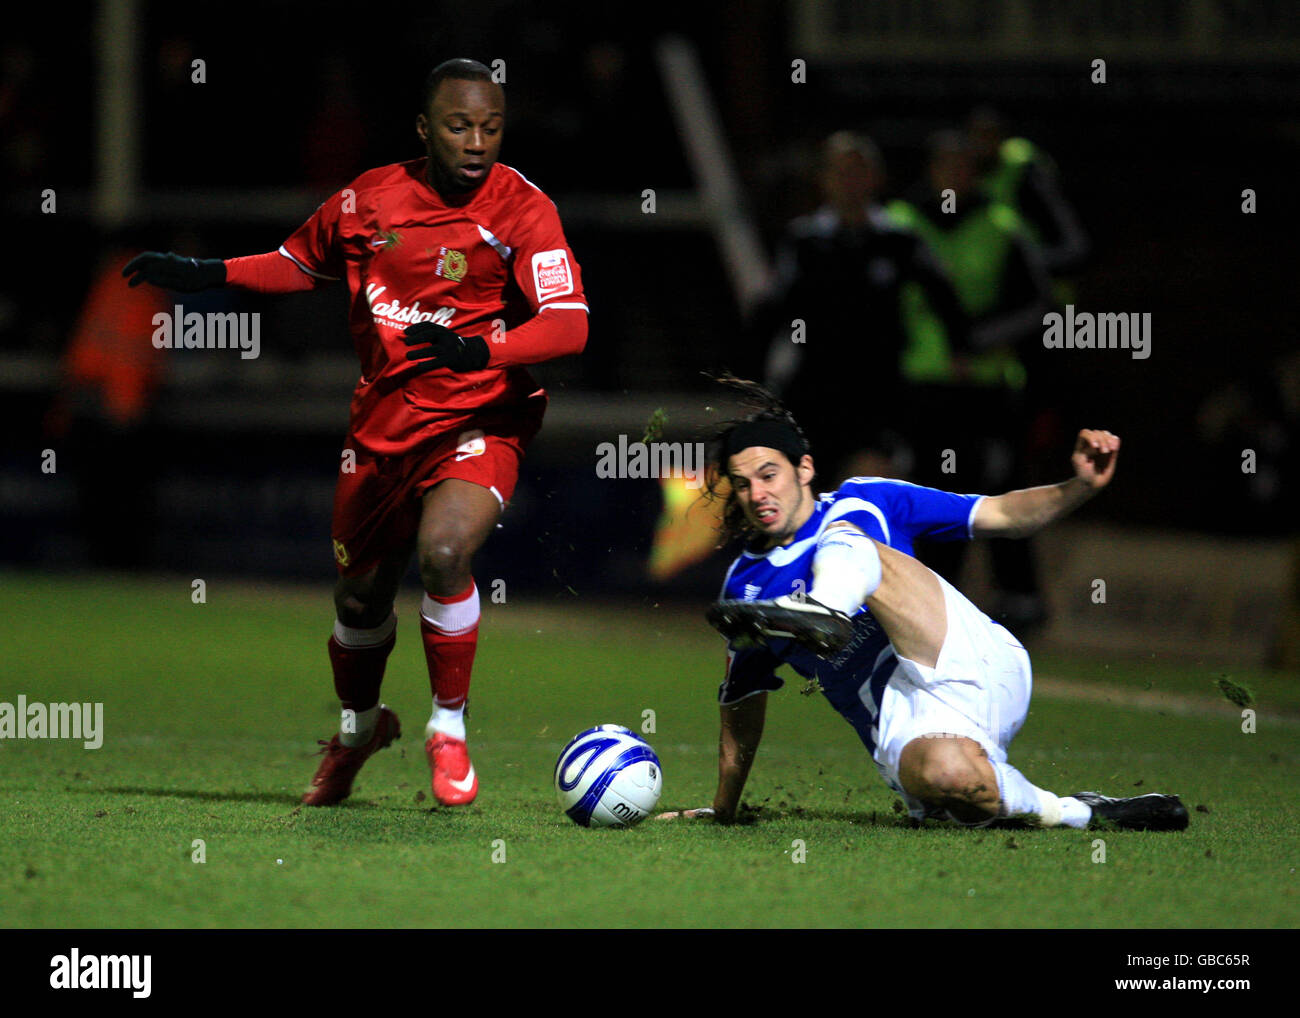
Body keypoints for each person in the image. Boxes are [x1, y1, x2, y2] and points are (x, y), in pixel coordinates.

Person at [123, 59, 588, 808]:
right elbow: (297, 264)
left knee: (443, 553)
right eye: (459, 126)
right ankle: (360, 728)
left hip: (482, 415)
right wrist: (207, 272)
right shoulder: (368, 200)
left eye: (491, 127)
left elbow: (571, 323)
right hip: (385, 423)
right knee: (362, 599)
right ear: (423, 129)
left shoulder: (522, 209)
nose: (477, 142)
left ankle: (448, 729)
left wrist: (486, 349)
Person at [660, 381, 1188, 832]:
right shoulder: (747, 587)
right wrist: (723, 809)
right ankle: (1077, 812)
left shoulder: (869, 498)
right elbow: (742, 701)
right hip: (909, 722)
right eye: (744, 483)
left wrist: (1079, 486)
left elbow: (1001, 514)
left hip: (964, 657)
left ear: (804, 469)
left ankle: (826, 609)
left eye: (768, 474)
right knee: (950, 781)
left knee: (849, 536)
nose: (757, 493)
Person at [759, 131, 970, 483]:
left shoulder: (899, 239)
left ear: (876, 177)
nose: (848, 181)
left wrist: (959, 349)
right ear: (823, 179)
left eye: (858, 171)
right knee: (807, 496)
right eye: (838, 171)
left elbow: (944, 295)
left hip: (878, 391)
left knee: (868, 490)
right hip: (815, 388)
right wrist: (749, 378)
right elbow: (771, 309)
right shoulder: (803, 242)